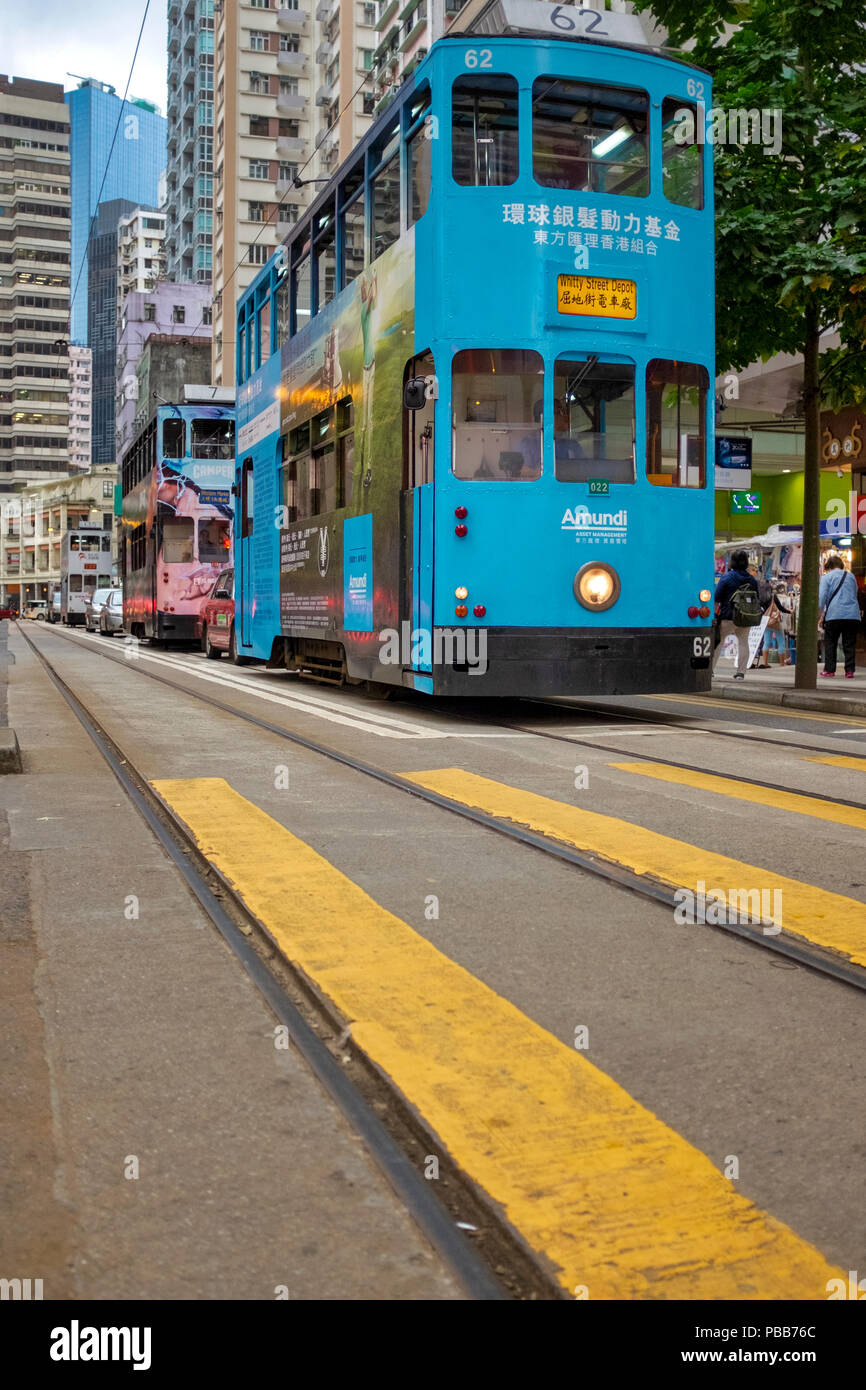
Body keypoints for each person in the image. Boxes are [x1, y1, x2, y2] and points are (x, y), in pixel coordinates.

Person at [713, 550, 762, 680]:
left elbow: (717, 596)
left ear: (732, 562)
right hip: (745, 616)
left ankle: (710, 670)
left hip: (728, 616)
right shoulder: (751, 579)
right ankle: (741, 672)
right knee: (743, 642)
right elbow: (756, 596)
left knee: (718, 642)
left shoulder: (727, 577)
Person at [818, 555, 860, 678]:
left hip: (834, 614)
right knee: (849, 643)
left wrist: (820, 615)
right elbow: (854, 592)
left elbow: (822, 598)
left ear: (829, 567)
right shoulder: (851, 576)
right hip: (852, 614)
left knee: (831, 642)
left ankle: (830, 670)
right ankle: (850, 671)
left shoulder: (827, 578)